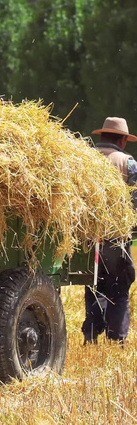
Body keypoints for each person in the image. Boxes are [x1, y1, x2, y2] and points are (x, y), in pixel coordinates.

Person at [82, 117, 136, 344]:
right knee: (119, 284)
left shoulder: (84, 159)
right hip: (116, 234)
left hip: (85, 235)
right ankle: (117, 339)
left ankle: (91, 333)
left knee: (93, 284)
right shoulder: (128, 162)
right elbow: (134, 199)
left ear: (102, 136)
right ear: (123, 140)